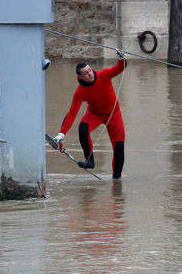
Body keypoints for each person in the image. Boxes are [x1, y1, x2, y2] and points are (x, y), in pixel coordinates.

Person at [53, 52, 128, 180]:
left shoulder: (104, 75)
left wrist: (121, 58)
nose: (90, 73)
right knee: (83, 128)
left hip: (114, 114)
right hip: (95, 114)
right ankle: (90, 160)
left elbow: (120, 68)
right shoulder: (80, 92)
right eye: (86, 73)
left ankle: (116, 181)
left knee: (119, 147)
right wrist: (61, 134)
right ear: (80, 77)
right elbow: (72, 114)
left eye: (90, 70)